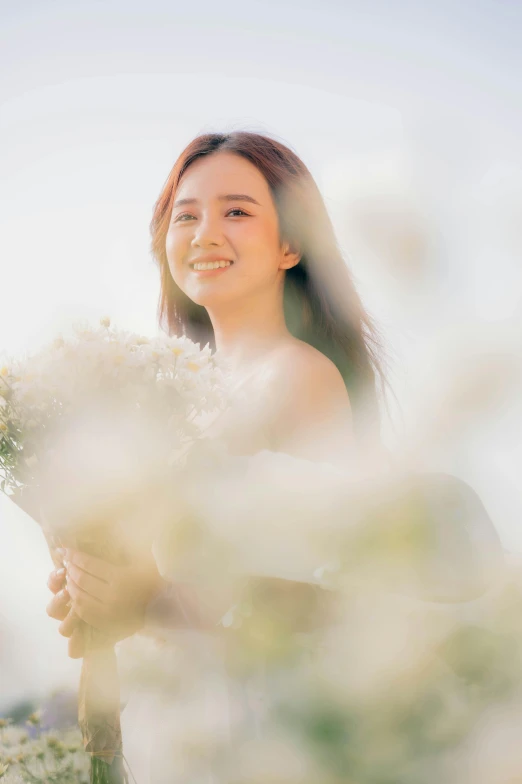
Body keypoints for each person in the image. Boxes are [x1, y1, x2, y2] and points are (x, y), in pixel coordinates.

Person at [44, 129, 394, 781]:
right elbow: (160, 578)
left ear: (293, 243)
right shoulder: (171, 400)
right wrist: (95, 594)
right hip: (178, 719)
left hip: (260, 721)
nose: (205, 233)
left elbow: (338, 598)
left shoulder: (299, 377)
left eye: (237, 211)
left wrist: (146, 601)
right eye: (187, 215)